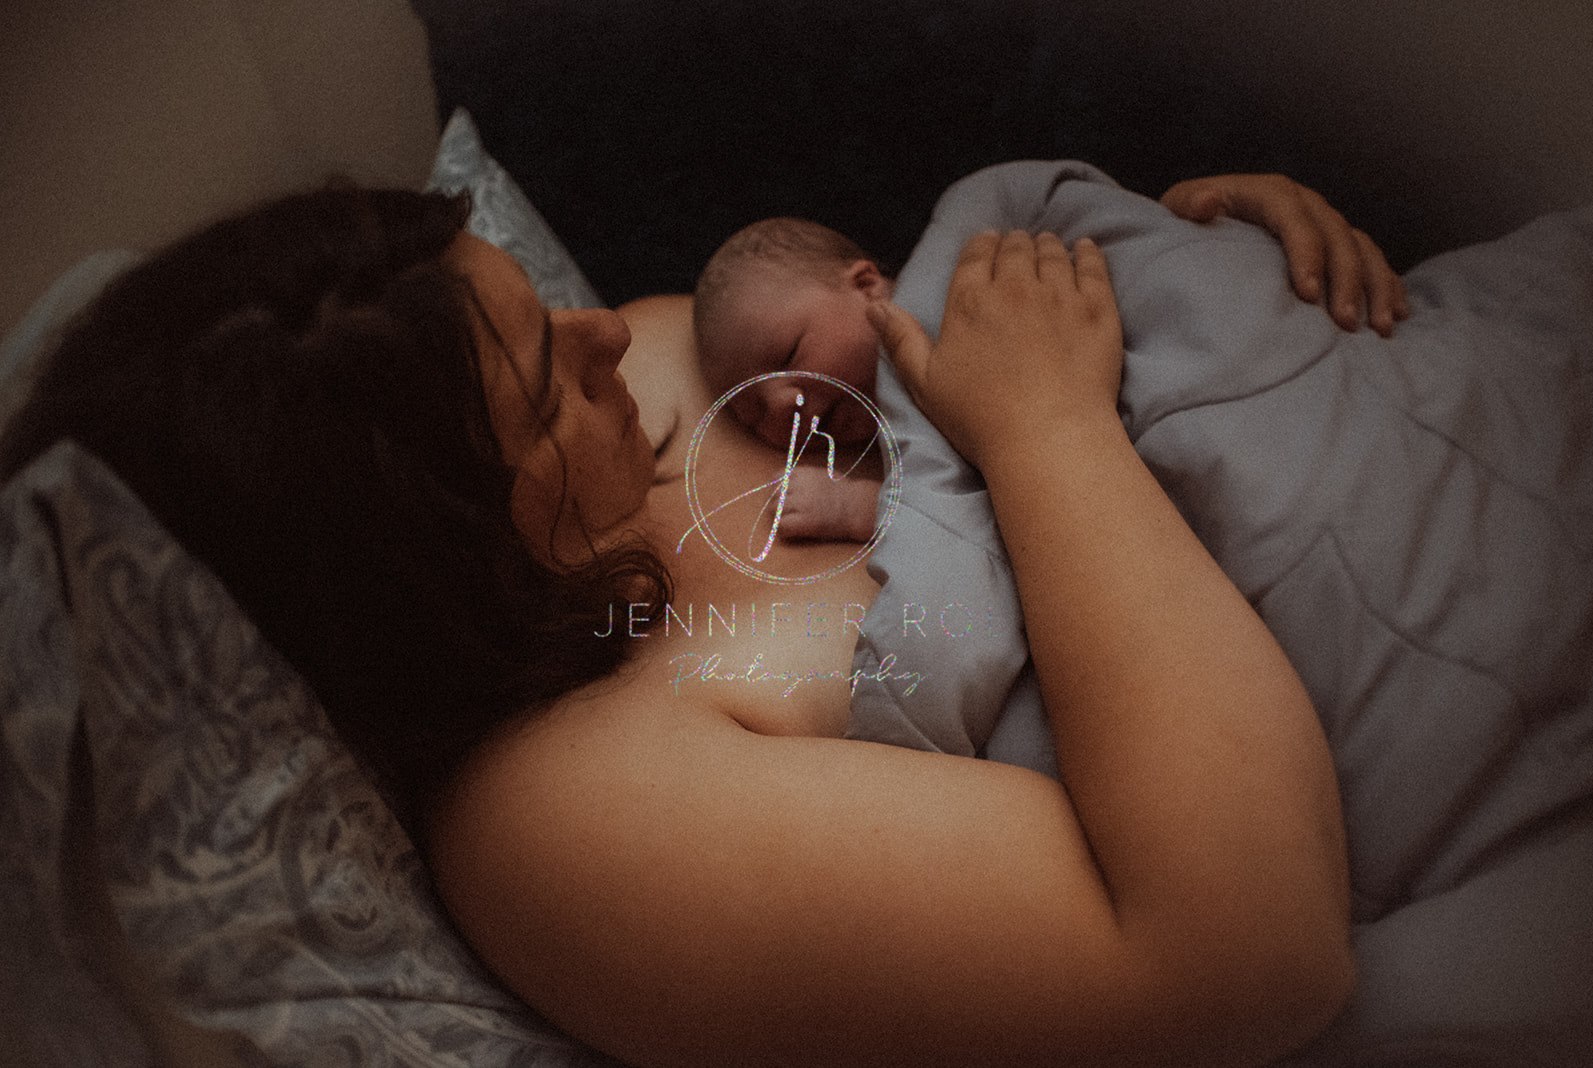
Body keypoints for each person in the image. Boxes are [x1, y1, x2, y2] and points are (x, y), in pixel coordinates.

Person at [1, 174, 1377, 1067]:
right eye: (546, 395)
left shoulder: (645, 372)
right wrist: (1054, 430)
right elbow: (1247, 957)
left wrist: (1206, 261)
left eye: (537, 301)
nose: (601, 337)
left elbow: (943, 295)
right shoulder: (576, 821)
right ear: (445, 571)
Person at [692, 179, 1409, 543]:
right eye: (750, 411)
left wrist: (857, 508)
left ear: (867, 283)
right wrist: (865, 502)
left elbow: (1103, 235)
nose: (783, 404)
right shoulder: (887, 449)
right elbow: (1002, 519)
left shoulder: (962, 278)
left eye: (787, 356)